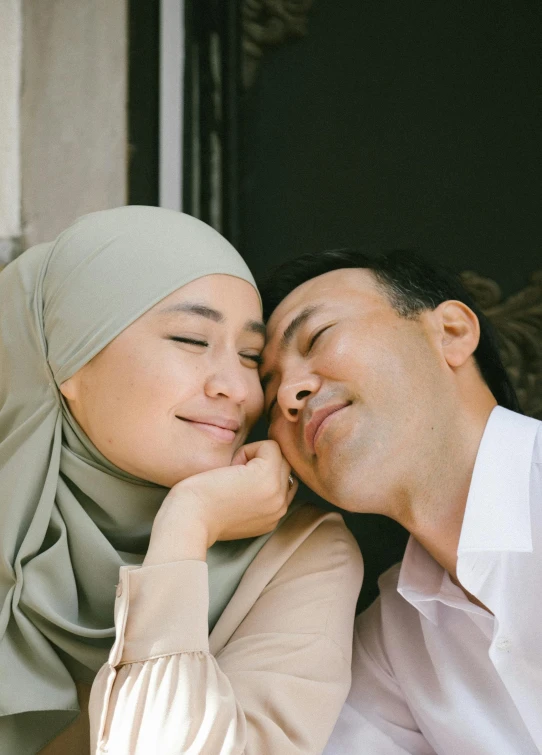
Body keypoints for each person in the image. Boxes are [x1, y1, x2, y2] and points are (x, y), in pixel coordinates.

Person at [0, 208, 362, 755]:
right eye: (192, 340)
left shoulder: (300, 552)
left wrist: (186, 527)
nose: (237, 389)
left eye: (249, 357)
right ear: (64, 356)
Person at [259, 249, 542, 754]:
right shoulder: (392, 641)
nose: (289, 396)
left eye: (317, 337)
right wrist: (188, 528)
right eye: (270, 388)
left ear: (451, 332)